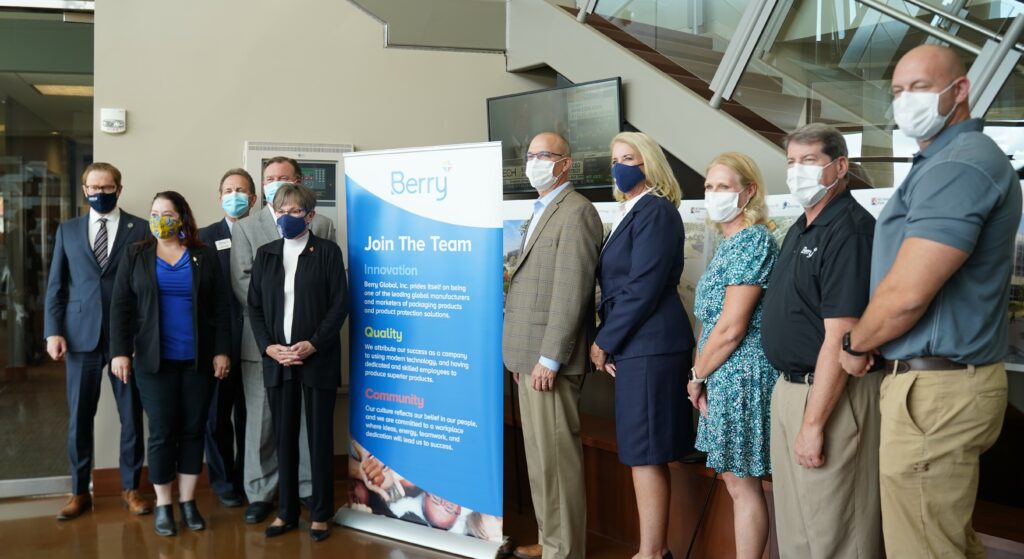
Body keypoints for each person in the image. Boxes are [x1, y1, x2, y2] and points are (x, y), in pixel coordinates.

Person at [839, 45, 1021, 558]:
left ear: (959, 91)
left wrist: (855, 343)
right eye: (898, 91)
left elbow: (906, 294)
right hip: (939, 386)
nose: (905, 101)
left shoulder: (960, 165)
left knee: (921, 547)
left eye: (919, 88)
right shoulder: (945, 162)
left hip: (936, 390)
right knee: (942, 542)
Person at [760, 124, 883, 558]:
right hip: (790, 389)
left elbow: (840, 335)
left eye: (809, 161)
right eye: (792, 161)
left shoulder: (850, 230)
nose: (798, 171)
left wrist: (813, 425)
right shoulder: (801, 227)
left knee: (836, 531)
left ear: (840, 166)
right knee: (798, 531)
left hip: (829, 394)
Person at [590, 131, 695, 559]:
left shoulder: (656, 211)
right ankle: (652, 551)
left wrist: (604, 341)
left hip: (652, 343)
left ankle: (650, 553)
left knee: (646, 450)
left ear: (649, 163)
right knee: (641, 449)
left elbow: (643, 286)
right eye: (615, 159)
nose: (619, 166)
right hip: (637, 344)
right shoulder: (632, 211)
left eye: (628, 158)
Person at [503, 132, 603, 559]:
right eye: (530, 155)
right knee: (541, 461)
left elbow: (571, 292)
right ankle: (550, 541)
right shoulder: (541, 209)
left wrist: (549, 358)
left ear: (565, 163)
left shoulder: (577, 211)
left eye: (543, 155)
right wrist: (526, 357)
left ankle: (566, 551)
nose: (534, 162)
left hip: (551, 362)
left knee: (558, 463)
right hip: (529, 356)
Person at [109, 191, 231, 536]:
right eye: (154, 213)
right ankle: (164, 504)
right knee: (162, 432)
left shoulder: (203, 255)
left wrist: (222, 350)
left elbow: (221, 307)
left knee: (193, 430)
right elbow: (120, 307)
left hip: (197, 360)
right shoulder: (136, 254)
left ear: (181, 217)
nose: (159, 219)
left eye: (167, 214)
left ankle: (188, 502)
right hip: (153, 362)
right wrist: (119, 352)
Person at [230, 156, 337, 524]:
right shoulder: (249, 230)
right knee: (263, 425)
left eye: (282, 177)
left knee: (309, 427)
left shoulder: (323, 228)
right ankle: (263, 495)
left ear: (299, 182)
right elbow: (246, 287)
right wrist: (272, 343)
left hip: (311, 348)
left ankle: (307, 491)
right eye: (269, 179)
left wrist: (309, 340)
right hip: (266, 346)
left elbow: (330, 293)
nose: (275, 183)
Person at [43, 162, 151, 520]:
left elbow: (147, 289)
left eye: (107, 188)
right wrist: (53, 331)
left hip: (127, 340)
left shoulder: (141, 228)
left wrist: (141, 336)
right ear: (84, 190)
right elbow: (56, 285)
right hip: (79, 337)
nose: (100, 193)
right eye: (94, 188)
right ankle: (79, 492)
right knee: (79, 418)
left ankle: (130, 488)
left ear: (119, 189)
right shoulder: (68, 230)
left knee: (131, 417)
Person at [688, 152, 777, 559]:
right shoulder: (730, 244)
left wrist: (696, 375)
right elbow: (711, 323)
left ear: (749, 192)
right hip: (720, 374)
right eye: (709, 186)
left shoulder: (753, 240)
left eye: (723, 186)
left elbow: (731, 328)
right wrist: (702, 374)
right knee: (734, 482)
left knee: (743, 484)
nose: (714, 194)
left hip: (741, 374)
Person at [248, 184, 348, 541]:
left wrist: (313, 344)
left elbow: (339, 305)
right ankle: (286, 512)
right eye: (281, 211)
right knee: (284, 438)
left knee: (319, 438)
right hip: (278, 360)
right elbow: (255, 307)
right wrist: (268, 347)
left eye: (294, 211)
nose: (286, 217)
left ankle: (320, 513)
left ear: (310, 215)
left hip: (316, 359)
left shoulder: (328, 252)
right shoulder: (266, 254)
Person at [199, 168, 256, 508]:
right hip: (218, 345)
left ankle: (249, 478)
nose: (235, 195)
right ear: (219, 197)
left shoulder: (267, 234)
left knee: (252, 418)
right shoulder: (204, 237)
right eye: (229, 190)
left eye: (241, 190)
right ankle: (223, 482)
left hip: (256, 343)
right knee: (216, 417)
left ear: (253, 198)